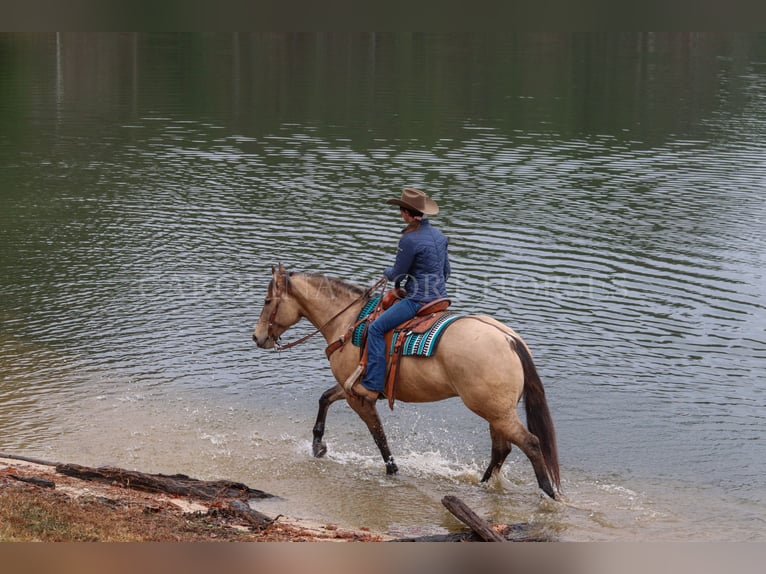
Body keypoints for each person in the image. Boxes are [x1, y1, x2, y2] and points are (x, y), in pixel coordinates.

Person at [351, 187, 451, 401]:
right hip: (440, 298)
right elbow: (445, 272)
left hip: (418, 300)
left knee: (376, 328)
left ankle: (372, 384)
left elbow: (398, 274)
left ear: (406, 213)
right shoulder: (440, 236)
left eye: (401, 211)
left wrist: (386, 272)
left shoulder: (409, 239)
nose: (400, 214)